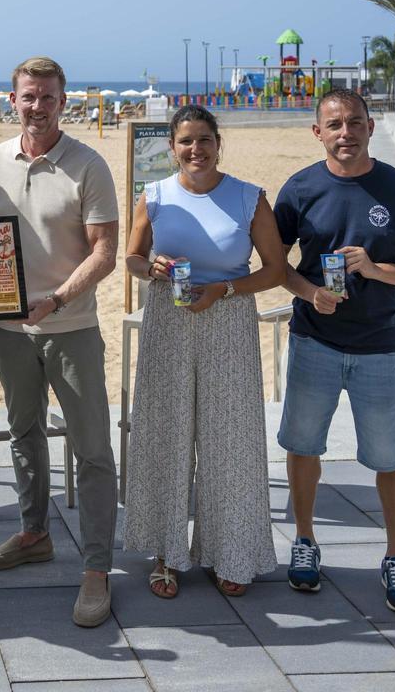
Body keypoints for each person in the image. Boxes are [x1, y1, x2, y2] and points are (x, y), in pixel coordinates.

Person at [274, 88, 395, 614]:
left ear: (371, 127)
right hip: (313, 342)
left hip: (380, 346)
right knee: (303, 446)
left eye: (354, 123)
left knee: (390, 458)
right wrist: (310, 293)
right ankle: (305, 541)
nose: (345, 133)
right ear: (317, 132)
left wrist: (372, 269)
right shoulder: (299, 189)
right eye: (335, 124)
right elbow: (275, 265)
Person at [0, 56, 119, 627]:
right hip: (9, 330)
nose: (37, 106)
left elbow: (104, 251)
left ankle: (98, 567)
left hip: (72, 327)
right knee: (23, 432)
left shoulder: (88, 164)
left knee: (92, 449)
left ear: (65, 100)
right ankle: (34, 533)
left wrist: (56, 299)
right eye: (27, 97)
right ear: (12, 100)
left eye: (48, 97)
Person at [122, 105, 283, 599]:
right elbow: (130, 258)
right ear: (171, 147)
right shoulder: (155, 197)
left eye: (204, 140)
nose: (196, 149)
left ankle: (231, 553)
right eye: (186, 141)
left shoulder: (249, 198)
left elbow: (275, 270)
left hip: (229, 320)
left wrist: (226, 291)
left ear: (218, 143)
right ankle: (166, 554)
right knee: (165, 435)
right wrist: (152, 268)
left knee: (230, 441)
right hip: (168, 320)